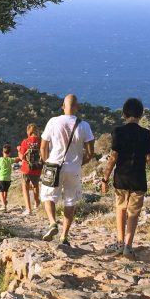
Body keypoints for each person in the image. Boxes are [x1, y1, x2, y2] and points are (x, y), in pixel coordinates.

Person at [100, 98, 150, 258]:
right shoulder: (146, 134)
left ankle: (119, 242)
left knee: (120, 209)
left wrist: (105, 179)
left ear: (124, 114)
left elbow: (113, 158)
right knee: (133, 213)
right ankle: (128, 246)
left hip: (121, 178)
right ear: (141, 114)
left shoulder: (118, 131)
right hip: (139, 179)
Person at [40, 94, 95, 246]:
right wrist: (79, 163)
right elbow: (90, 153)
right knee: (70, 201)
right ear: (77, 107)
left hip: (54, 166)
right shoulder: (84, 126)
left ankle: (52, 223)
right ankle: (64, 237)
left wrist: (46, 162)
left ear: (63, 106)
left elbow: (43, 147)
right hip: (74, 169)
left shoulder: (53, 121)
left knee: (48, 196)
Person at [18, 123, 42, 215]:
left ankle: (28, 209)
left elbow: (21, 157)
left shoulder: (25, 141)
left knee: (25, 188)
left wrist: (19, 150)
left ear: (28, 131)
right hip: (37, 168)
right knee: (36, 185)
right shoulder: (40, 141)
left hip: (26, 168)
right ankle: (37, 202)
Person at [0, 144, 18, 212]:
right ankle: (4, 203)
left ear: (2, 152)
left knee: (1, 192)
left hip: (1, 178)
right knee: (5, 191)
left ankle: (3, 205)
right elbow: (17, 159)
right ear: (10, 153)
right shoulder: (10, 160)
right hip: (8, 179)